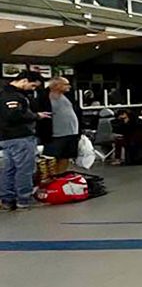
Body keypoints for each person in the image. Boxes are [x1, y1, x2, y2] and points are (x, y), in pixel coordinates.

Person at [0, 70, 49, 210]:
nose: (33, 89)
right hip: (19, 137)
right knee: (25, 169)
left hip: (7, 138)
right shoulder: (12, 96)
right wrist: (36, 116)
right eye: (33, 86)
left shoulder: (4, 93)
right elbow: (13, 116)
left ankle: (7, 200)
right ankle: (24, 199)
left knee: (9, 169)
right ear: (24, 81)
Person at [40, 76, 81, 174]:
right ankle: (49, 179)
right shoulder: (44, 97)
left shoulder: (68, 96)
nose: (69, 86)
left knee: (66, 157)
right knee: (50, 159)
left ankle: (60, 177)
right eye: (66, 84)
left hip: (72, 133)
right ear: (56, 86)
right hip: (55, 135)